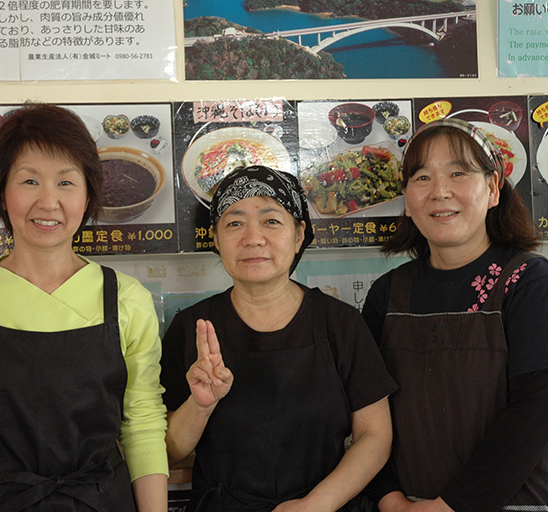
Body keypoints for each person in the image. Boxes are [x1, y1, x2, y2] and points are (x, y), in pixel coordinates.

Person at [0, 104, 168, 512]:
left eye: (66, 182)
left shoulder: (125, 297)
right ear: (0, 190)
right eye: (29, 180)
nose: (48, 202)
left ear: (88, 194)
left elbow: (143, 424)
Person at [362, 119, 548, 512]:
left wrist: (449, 506)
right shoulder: (387, 294)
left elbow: (535, 415)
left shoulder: (532, 283)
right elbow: (369, 415)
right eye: (421, 177)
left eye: (458, 173)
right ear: (407, 198)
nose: (439, 192)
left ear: (493, 188)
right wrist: (389, 498)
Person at [160, 165, 396, 512]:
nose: (253, 238)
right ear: (216, 238)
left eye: (271, 221)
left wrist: (316, 504)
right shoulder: (192, 327)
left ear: (299, 233)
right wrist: (200, 405)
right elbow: (168, 450)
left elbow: (375, 437)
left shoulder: (341, 322)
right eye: (234, 222)